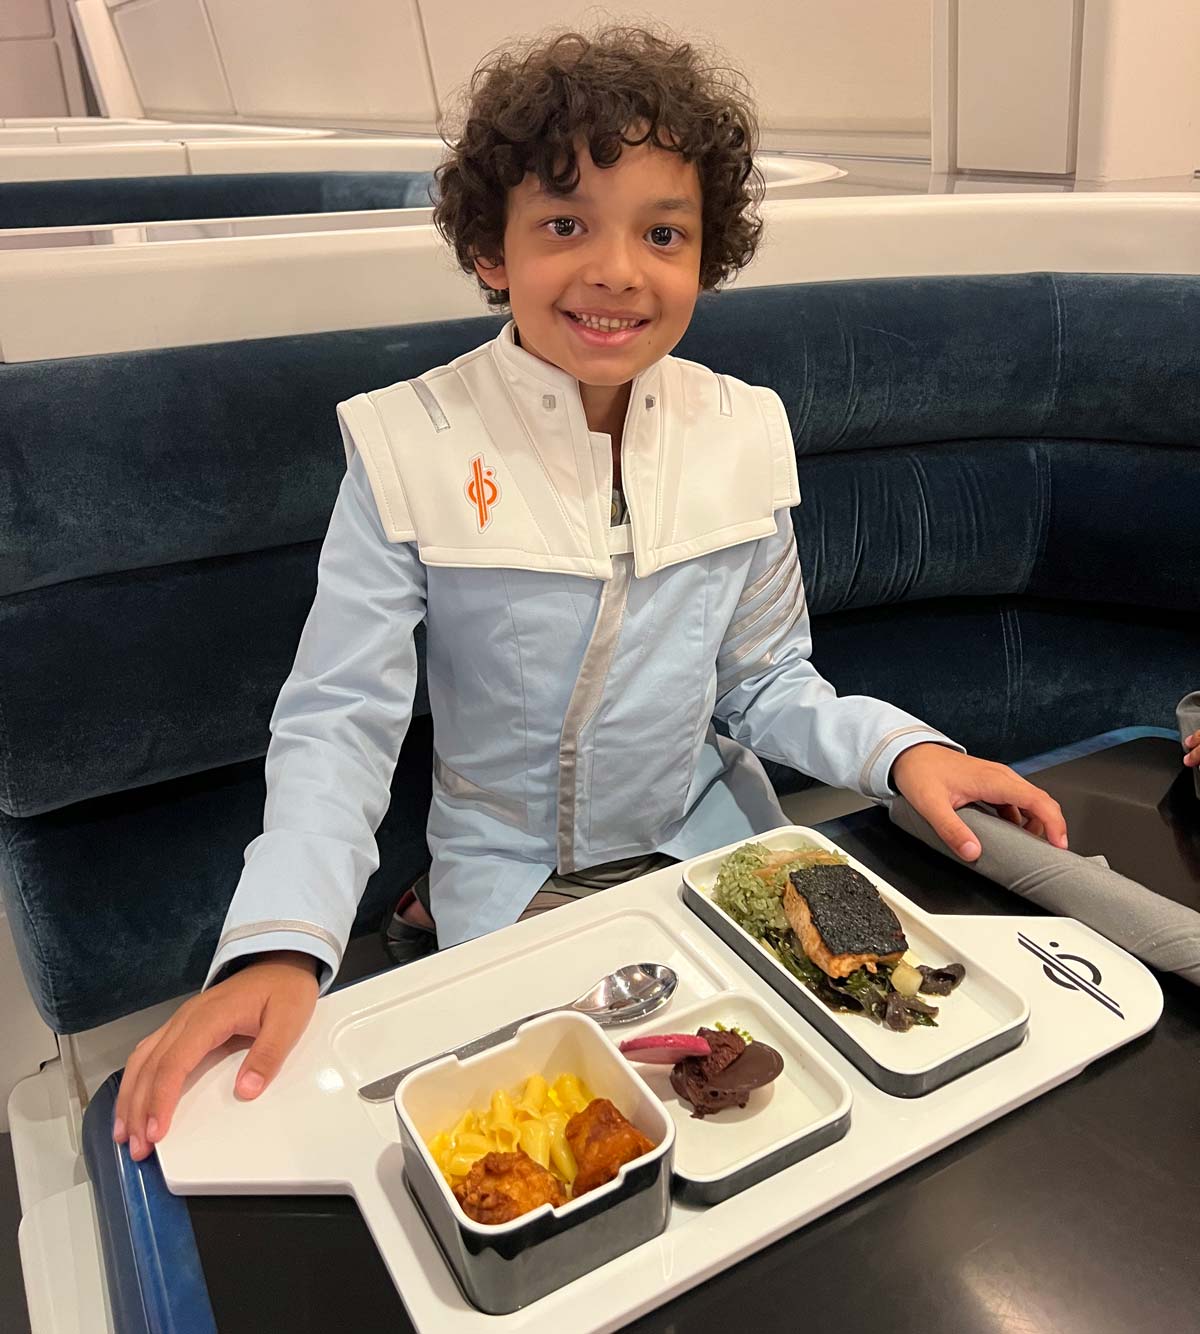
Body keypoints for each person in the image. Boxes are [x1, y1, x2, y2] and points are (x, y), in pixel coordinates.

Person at [114, 26, 1070, 1162]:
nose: (618, 270)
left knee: (868, 1088)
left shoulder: (742, 428)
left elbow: (767, 679)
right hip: (512, 882)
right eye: (566, 223)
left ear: (707, 253)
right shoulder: (406, 447)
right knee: (587, 1142)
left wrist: (904, 752)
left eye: (662, 232)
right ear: (490, 246)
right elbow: (339, 723)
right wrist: (281, 941)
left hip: (714, 850)